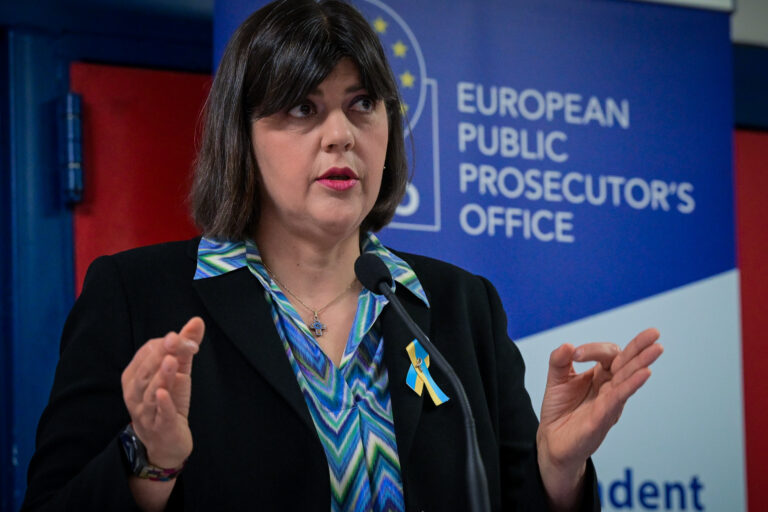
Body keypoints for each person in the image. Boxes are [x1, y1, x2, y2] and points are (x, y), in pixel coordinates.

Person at [22, 1, 663, 511]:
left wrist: (559, 471)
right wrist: (149, 460)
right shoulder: (138, 295)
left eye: (362, 105)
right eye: (303, 108)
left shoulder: (459, 305)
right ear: (241, 137)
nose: (340, 135)